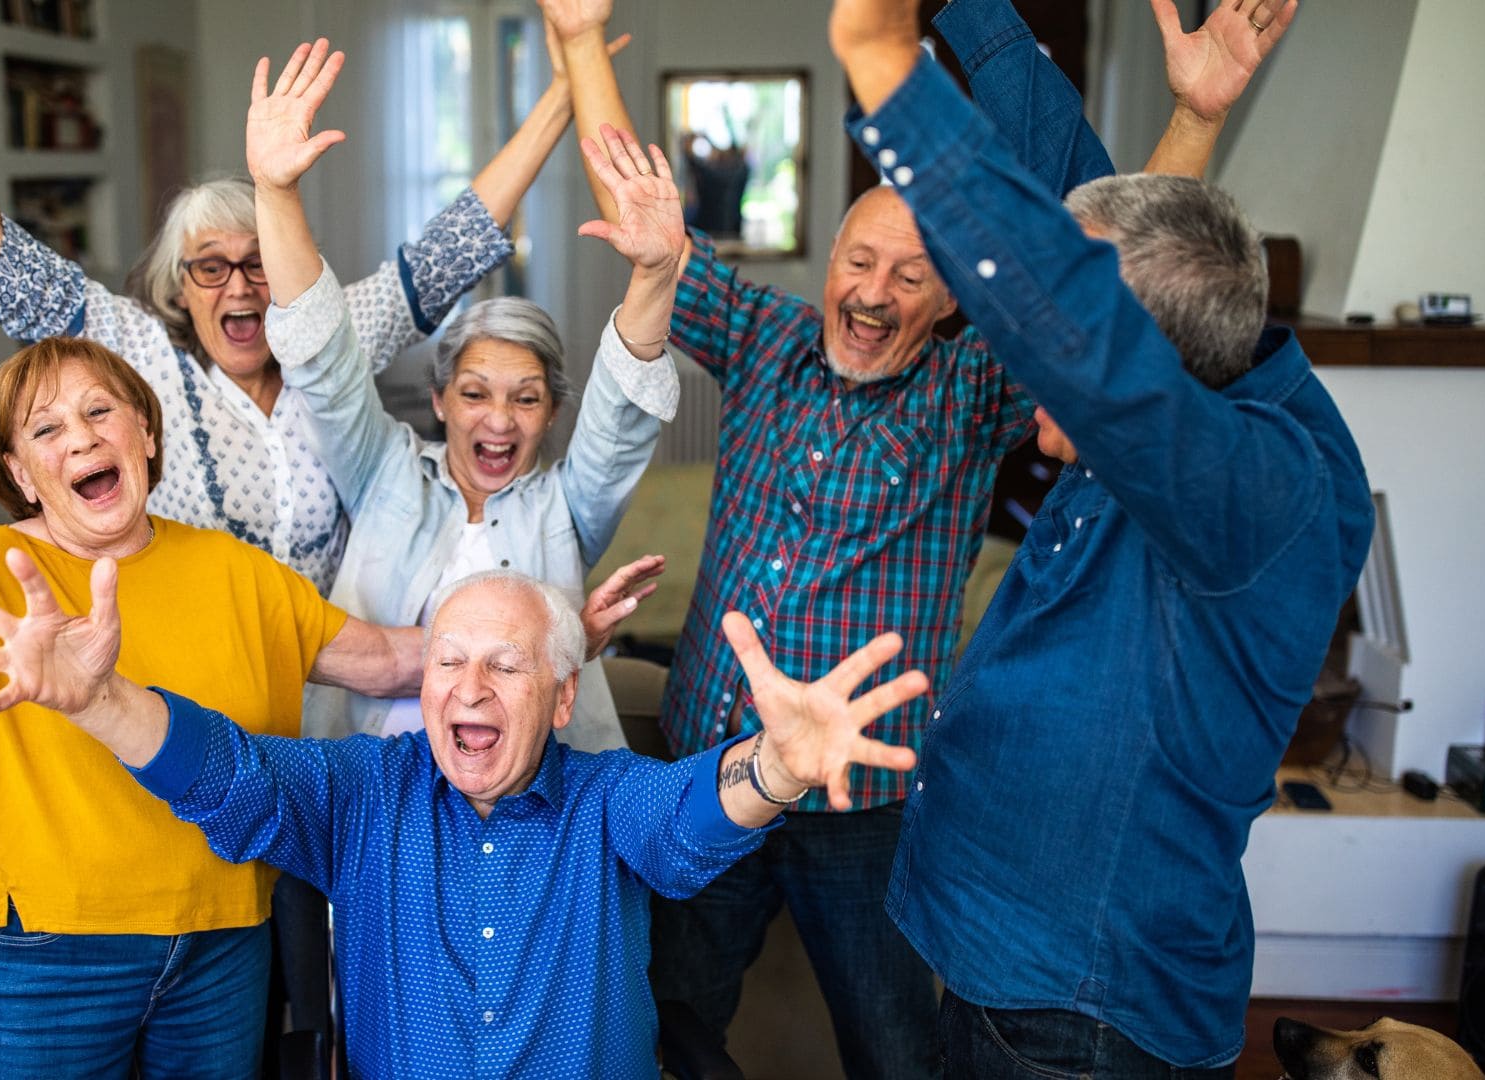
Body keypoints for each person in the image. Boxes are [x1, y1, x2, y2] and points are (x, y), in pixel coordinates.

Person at [539, 2, 1293, 1073]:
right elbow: (641, 208)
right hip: (717, 756)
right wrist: (576, 38)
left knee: (893, 1046)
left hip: (865, 800)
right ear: (827, 263)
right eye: (859, 262)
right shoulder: (767, 340)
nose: (873, 293)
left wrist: (1194, 116)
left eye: (908, 275)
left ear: (950, 300)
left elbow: (1108, 290)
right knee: (673, 1010)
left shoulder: (974, 390)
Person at [826, 0, 1373, 1076]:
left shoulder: (1269, 489)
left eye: (1057, 353)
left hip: (1078, 1018)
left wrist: (888, 70)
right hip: (999, 964)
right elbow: (1061, 203)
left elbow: (1075, 313)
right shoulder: (1203, 350)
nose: (1026, 372)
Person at [0, 248, 436, 1077]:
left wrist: (547, 630)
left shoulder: (238, 571)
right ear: (21, 474)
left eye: (100, 412)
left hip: (220, 946)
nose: (80, 438)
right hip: (31, 957)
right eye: (46, 430)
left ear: (145, 432)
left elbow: (391, 662)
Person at [0, 549, 933, 1076]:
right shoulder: (365, 793)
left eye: (505, 664)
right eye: (448, 662)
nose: (469, 687)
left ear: (561, 695)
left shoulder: (605, 798)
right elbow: (230, 775)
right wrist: (98, 702)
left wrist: (779, 767)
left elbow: (687, 822)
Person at [0, 0, 622, 594]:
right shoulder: (136, 358)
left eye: (258, 262)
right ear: (180, 285)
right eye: (211, 266)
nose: (240, 285)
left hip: (330, 693)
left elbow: (458, 240)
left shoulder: (330, 336)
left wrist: (562, 88)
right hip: (195, 690)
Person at [249, 41, 685, 753]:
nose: (499, 419)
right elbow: (324, 362)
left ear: (550, 412)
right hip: (376, 786)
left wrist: (656, 275)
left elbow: (621, 413)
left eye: (527, 398)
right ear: (441, 400)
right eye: (476, 392)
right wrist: (275, 191)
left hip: (529, 803)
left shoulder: (566, 509)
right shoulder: (385, 471)